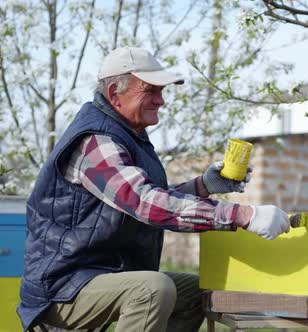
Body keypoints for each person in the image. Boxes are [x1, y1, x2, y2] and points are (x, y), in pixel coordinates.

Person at [17, 47, 290, 332]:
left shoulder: (128, 135)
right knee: (152, 289)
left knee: (197, 293)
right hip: (63, 287)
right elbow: (144, 203)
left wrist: (203, 186)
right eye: (150, 91)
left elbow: (136, 199)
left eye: (161, 91)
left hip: (101, 274)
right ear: (114, 93)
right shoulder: (97, 141)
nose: (161, 100)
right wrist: (244, 215)